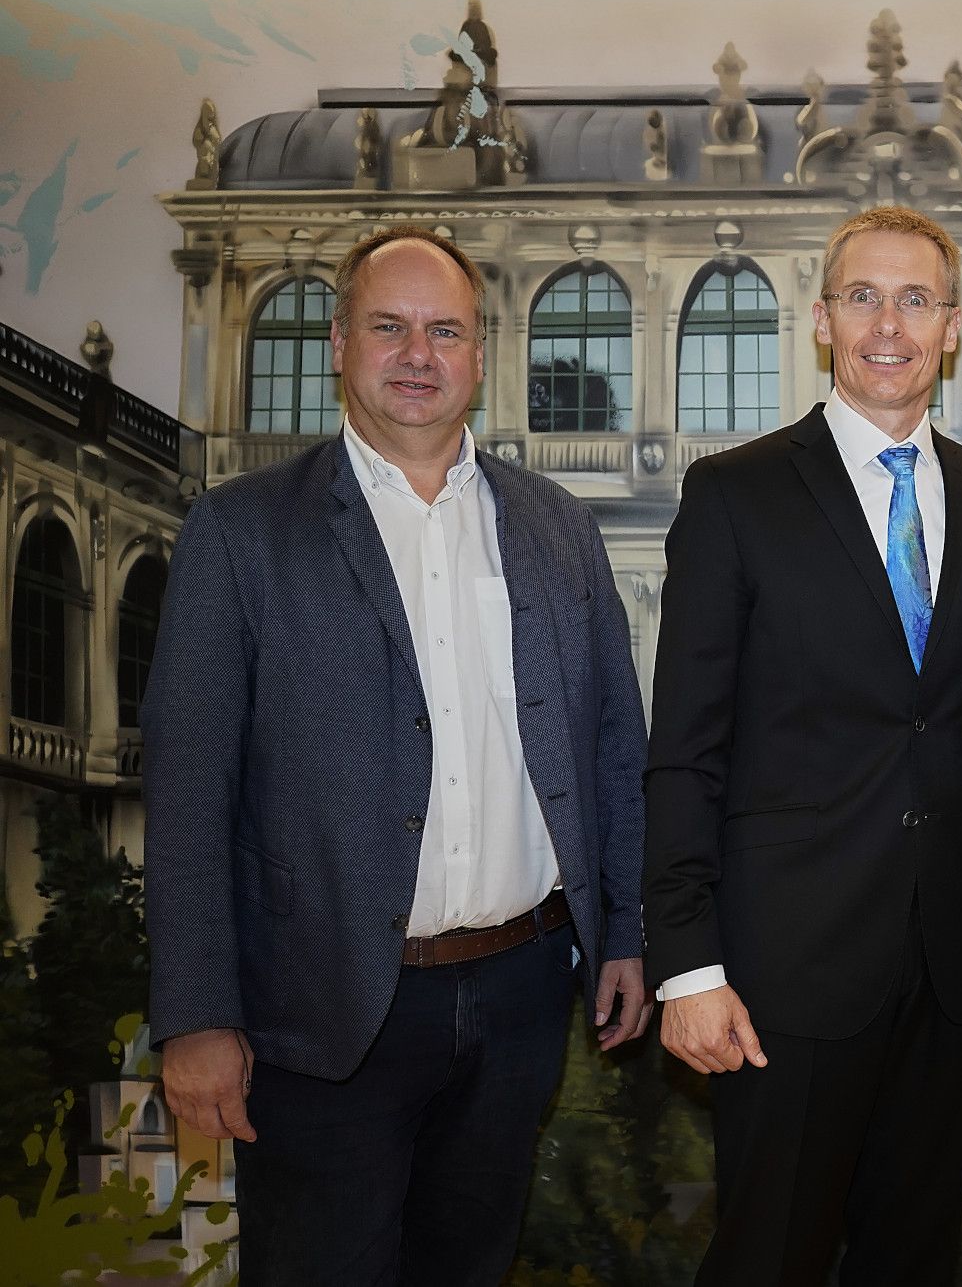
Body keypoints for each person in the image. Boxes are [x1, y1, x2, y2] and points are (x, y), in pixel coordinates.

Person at [143, 225, 652, 1286]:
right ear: (339, 343)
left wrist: (627, 934)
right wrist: (195, 1014)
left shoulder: (557, 527)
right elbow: (190, 787)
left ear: (479, 354)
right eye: (389, 327)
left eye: (445, 331)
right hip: (322, 1012)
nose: (417, 354)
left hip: (520, 994)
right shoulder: (240, 534)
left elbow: (611, 745)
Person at [643, 206, 962, 1286]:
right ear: (822, 320)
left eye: (915, 298)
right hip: (783, 974)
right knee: (767, 1258)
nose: (890, 323)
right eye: (864, 297)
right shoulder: (733, 494)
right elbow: (684, 747)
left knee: (913, 1257)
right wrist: (685, 961)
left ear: (953, 326)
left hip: (951, 964)